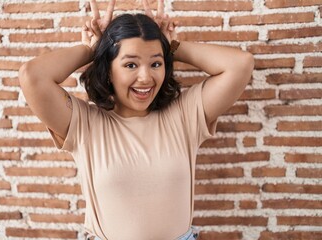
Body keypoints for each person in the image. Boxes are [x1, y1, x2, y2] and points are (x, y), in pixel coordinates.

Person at [18, 0, 254, 239]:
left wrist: (171, 45)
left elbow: (240, 64)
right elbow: (33, 76)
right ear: (109, 70)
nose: (145, 77)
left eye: (156, 63)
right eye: (131, 64)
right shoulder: (84, 124)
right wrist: (92, 49)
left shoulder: (184, 115)